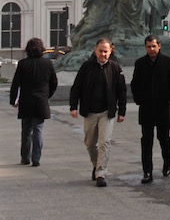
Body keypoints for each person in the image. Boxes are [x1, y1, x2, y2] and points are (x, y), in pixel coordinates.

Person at [69, 37, 127, 187]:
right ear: (95, 51)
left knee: (104, 143)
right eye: (100, 51)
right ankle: (96, 164)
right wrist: (73, 106)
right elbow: (76, 87)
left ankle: (101, 173)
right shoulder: (86, 67)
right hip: (89, 111)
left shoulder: (115, 68)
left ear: (110, 51)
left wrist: (122, 111)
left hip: (106, 112)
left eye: (106, 51)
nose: (103, 54)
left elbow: (122, 91)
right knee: (89, 143)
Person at [131, 35, 170, 184]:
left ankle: (167, 162)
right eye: (148, 47)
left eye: (154, 46)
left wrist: (168, 99)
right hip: (146, 108)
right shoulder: (140, 63)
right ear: (145, 47)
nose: (151, 49)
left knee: (163, 138)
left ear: (159, 46)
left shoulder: (168, 62)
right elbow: (135, 84)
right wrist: (139, 99)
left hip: (162, 108)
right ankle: (147, 171)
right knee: (146, 141)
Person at [10, 37, 58, 167]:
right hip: (41, 101)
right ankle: (36, 158)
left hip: (26, 101)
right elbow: (54, 82)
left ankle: (25, 157)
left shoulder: (22, 64)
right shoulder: (47, 64)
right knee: (38, 130)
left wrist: (14, 99)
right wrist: (47, 95)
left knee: (26, 130)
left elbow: (16, 83)